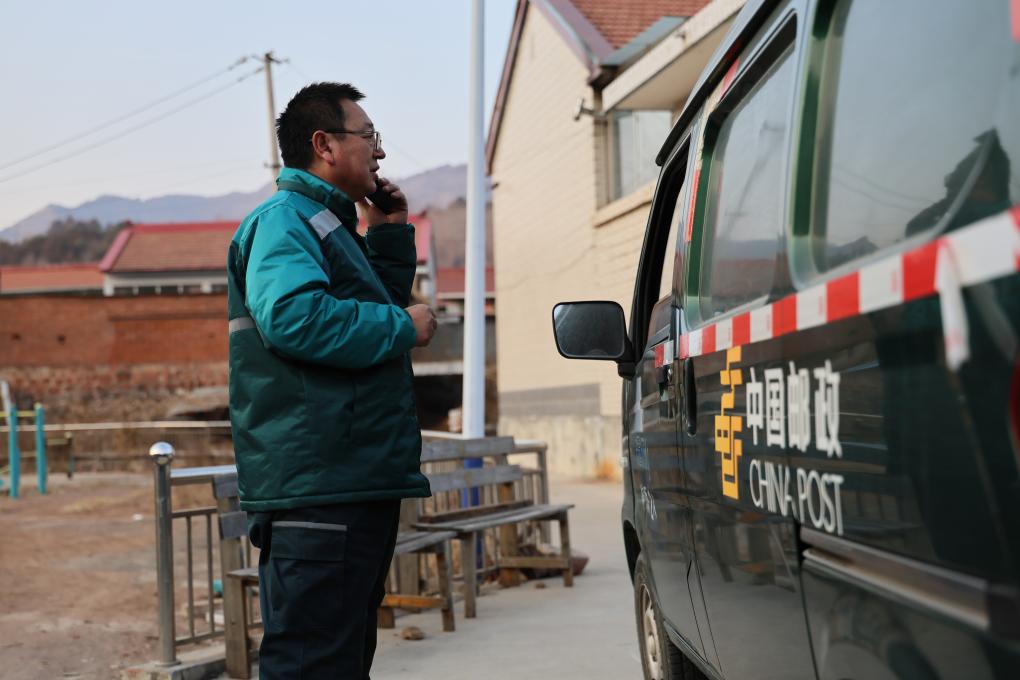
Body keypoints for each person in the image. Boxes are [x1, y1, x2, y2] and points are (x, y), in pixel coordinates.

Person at [226, 81, 437, 678]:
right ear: (324, 144)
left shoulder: (328, 225)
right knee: (312, 664)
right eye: (369, 136)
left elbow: (360, 311)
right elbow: (295, 318)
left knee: (338, 661)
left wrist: (388, 231)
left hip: (347, 479)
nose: (380, 152)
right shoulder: (285, 222)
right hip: (320, 487)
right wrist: (402, 326)